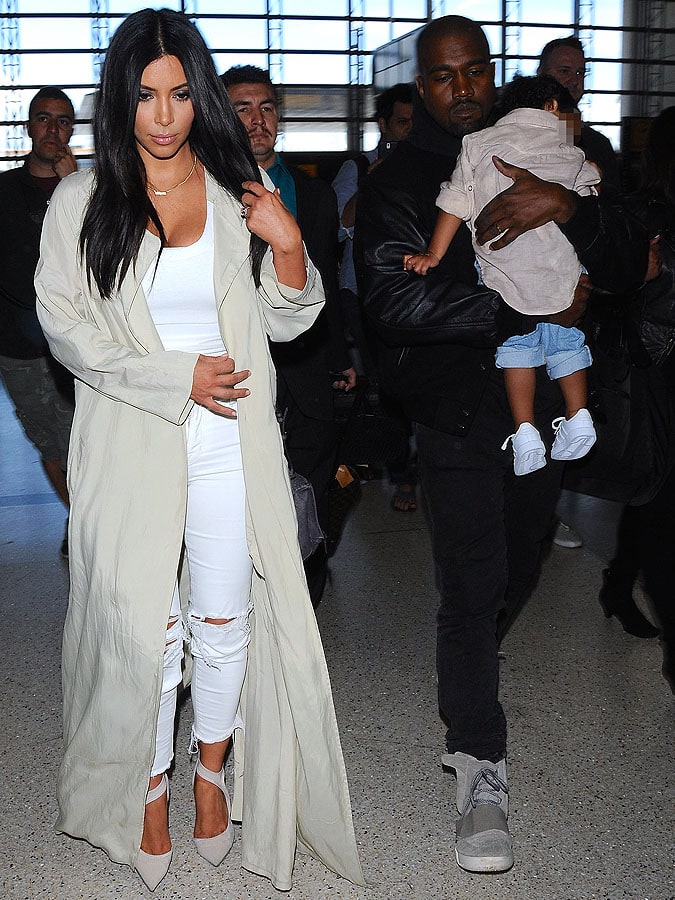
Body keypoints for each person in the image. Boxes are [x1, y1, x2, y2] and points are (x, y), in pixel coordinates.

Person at [34, 8, 363, 893]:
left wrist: (290, 250)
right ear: (121, 99)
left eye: (181, 94)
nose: (165, 115)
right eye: (144, 96)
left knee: (224, 621)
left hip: (231, 443)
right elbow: (64, 330)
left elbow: (287, 321)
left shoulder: (235, 188)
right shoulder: (81, 200)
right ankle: (146, 786)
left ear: (201, 95)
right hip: (131, 443)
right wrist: (171, 375)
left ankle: (210, 771)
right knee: (145, 631)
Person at [355, 14, 648, 874]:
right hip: (453, 414)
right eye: (440, 77)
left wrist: (567, 210)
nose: (460, 88)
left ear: (491, 70)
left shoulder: (555, 144)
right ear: (418, 86)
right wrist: (523, 310)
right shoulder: (399, 180)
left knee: (519, 565)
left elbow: (629, 257)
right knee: (469, 579)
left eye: (472, 70)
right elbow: (389, 302)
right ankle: (478, 761)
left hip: (545, 415)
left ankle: (479, 646)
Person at [404, 75, 599, 476]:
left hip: (507, 274)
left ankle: (525, 431)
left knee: (517, 352)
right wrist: (591, 175)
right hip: (561, 273)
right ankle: (579, 415)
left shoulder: (477, 143)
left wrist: (432, 254)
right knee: (565, 341)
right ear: (551, 107)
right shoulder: (571, 151)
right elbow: (591, 202)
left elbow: (456, 203)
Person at [220, 64, 356, 606]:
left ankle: (304, 595)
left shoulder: (314, 196)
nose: (257, 121)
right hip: (237, 370)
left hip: (305, 364)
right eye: (242, 110)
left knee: (313, 481)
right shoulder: (203, 192)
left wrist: (342, 352)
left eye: (267, 108)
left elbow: (327, 272)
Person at [597, 106, 675, 687]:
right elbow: (615, 296)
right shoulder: (643, 213)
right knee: (659, 495)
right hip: (656, 371)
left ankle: (619, 583)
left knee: (655, 495)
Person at [332, 84, 418, 509]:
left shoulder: (428, 167)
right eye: (401, 122)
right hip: (361, 292)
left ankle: (401, 467)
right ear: (383, 124)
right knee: (377, 381)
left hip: (413, 290)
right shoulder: (358, 168)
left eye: (413, 122)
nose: (407, 131)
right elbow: (336, 225)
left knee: (404, 381)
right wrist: (375, 180)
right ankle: (387, 465)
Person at [0, 86, 77, 557]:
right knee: (47, 437)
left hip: (76, 343)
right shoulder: (4, 191)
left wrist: (74, 189)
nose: (53, 129)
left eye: (63, 120)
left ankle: (94, 519)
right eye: (44, 119)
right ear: (29, 126)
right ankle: (80, 518)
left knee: (86, 437)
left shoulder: (89, 189)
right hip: (19, 345)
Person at [538, 36, 620, 189]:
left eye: (580, 73)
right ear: (541, 73)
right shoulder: (516, 130)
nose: (575, 81)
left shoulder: (598, 146)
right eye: (564, 71)